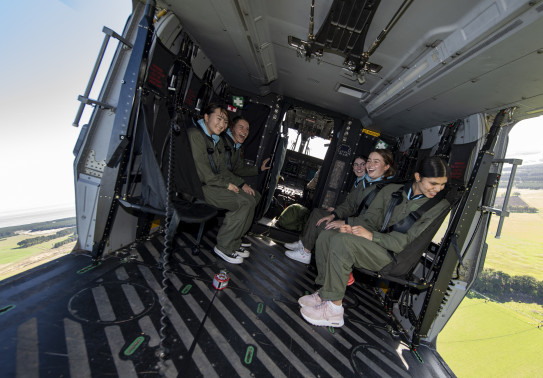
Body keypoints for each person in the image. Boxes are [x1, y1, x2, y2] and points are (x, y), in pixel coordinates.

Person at [298, 156, 451, 327]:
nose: (438, 189)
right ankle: (325, 293)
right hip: (374, 245)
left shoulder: (437, 207)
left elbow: (405, 242)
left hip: (394, 256)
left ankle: (334, 310)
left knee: (342, 242)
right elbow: (370, 220)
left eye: (442, 185)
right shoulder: (392, 191)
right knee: (328, 236)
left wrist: (371, 236)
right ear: (417, 177)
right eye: (433, 184)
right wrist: (349, 225)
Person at [285, 150, 394, 264]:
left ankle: (306, 252)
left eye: (376, 162)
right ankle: (305, 245)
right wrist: (334, 215)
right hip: (354, 222)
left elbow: (370, 221)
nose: (370, 165)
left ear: (386, 166)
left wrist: (344, 222)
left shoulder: (385, 190)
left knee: (323, 227)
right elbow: (350, 204)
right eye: (369, 161)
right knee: (318, 214)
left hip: (363, 231)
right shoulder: (366, 182)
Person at [187, 103, 257, 264]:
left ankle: (233, 242)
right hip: (198, 187)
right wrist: (226, 185)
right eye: (219, 118)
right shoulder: (195, 135)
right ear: (206, 117)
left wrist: (236, 184)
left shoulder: (214, 140)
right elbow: (203, 173)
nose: (222, 124)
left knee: (250, 200)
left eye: (225, 121)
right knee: (243, 202)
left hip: (210, 184)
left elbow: (223, 170)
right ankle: (224, 246)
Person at [222, 116, 271, 247]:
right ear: (232, 128)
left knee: (256, 196)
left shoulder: (236, 147)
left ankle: (238, 236)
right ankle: (227, 242)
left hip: (227, 181)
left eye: (247, 129)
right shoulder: (224, 143)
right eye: (241, 127)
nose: (244, 131)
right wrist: (242, 184)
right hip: (219, 183)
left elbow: (239, 169)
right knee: (247, 201)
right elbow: (222, 171)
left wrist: (259, 170)